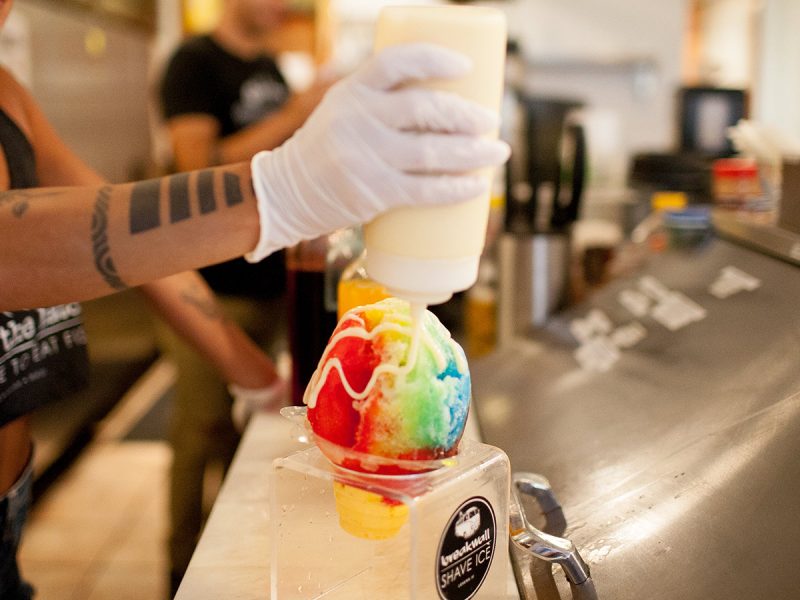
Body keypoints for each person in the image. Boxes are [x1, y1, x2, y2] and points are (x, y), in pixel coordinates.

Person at [0, 0, 510, 595]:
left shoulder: (9, 95)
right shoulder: (194, 62)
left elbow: (125, 231)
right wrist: (277, 189)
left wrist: (256, 375)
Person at [157, 0, 332, 589]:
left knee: (263, 427)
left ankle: (231, 560)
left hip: (271, 282)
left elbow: (279, 170)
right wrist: (294, 114)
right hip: (209, 284)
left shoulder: (270, 69)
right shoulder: (193, 62)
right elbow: (195, 168)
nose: (283, 5)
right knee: (201, 426)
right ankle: (179, 570)